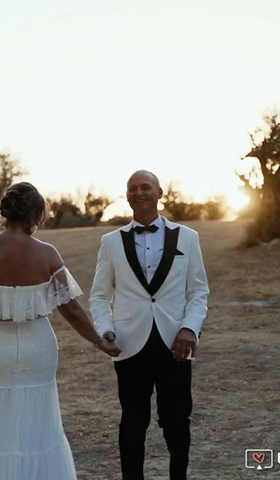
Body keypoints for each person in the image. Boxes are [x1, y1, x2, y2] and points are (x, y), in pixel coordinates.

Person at [0, 182, 120, 480]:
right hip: (36, 347)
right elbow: (70, 309)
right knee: (39, 418)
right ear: (35, 213)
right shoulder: (47, 254)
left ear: (6, 212)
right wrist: (97, 341)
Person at [89, 170, 209, 480]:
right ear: (126, 196)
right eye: (132, 189)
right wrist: (105, 330)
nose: (139, 193)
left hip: (176, 344)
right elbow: (100, 296)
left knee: (177, 421)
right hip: (128, 344)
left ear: (159, 192)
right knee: (132, 421)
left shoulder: (188, 237)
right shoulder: (111, 242)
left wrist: (189, 329)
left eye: (145, 187)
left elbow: (198, 292)